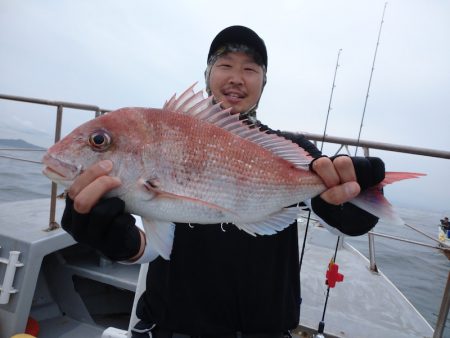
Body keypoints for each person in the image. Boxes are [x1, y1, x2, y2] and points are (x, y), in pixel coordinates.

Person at [61, 26, 385, 338]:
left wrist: (359, 197)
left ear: (264, 82)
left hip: (266, 330)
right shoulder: (163, 140)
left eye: (250, 69)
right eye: (225, 65)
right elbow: (148, 247)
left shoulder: (292, 151)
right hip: (170, 326)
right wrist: (115, 240)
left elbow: (342, 212)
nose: (235, 78)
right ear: (207, 75)